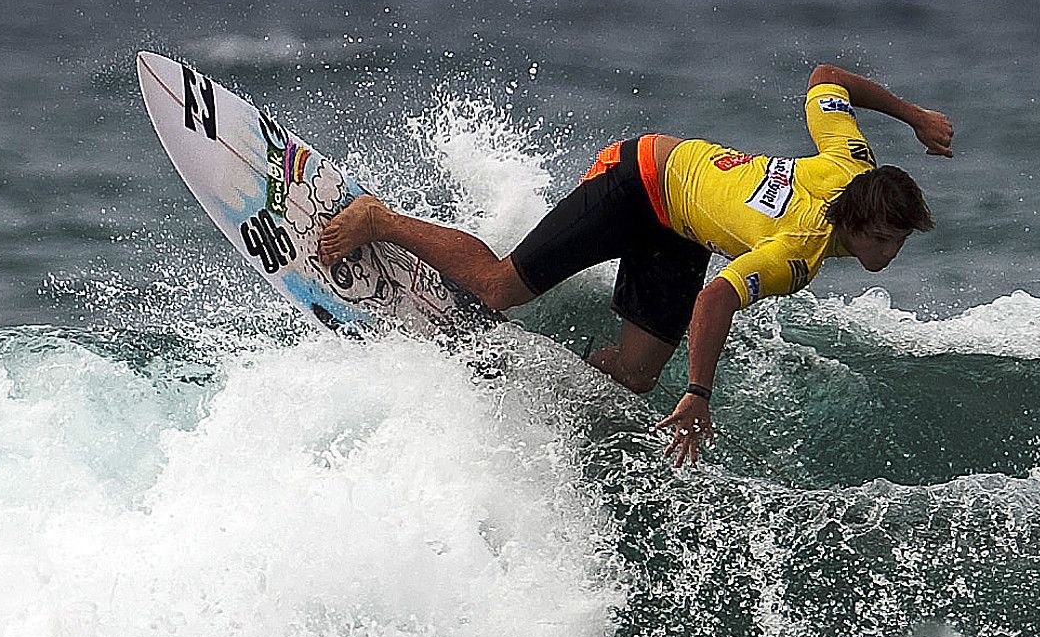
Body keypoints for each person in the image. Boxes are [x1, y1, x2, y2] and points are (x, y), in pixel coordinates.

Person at [318, 64, 953, 466]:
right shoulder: (799, 253)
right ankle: (381, 220)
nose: (893, 254)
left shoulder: (854, 162)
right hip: (637, 178)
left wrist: (914, 116)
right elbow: (716, 301)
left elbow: (825, 81)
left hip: (682, 226)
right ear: (860, 224)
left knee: (634, 378)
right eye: (889, 241)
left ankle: (524, 381)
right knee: (501, 286)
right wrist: (699, 394)